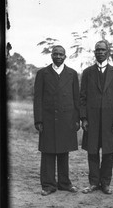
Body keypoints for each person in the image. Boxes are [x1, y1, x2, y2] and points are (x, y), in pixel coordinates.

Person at [33, 45, 80, 196]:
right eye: (56, 54)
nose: (58, 56)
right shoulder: (42, 73)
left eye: (61, 54)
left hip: (67, 119)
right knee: (47, 152)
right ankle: (48, 185)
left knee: (63, 151)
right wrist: (38, 120)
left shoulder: (72, 74)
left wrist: (76, 119)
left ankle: (64, 183)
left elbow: (76, 98)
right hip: (47, 119)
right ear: (51, 55)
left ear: (65, 56)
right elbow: (38, 98)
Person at [80, 40, 113, 194]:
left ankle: (105, 184)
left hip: (109, 121)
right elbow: (82, 98)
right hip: (91, 121)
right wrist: (84, 118)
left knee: (108, 153)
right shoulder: (87, 72)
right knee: (92, 151)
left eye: (102, 50)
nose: (100, 52)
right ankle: (93, 183)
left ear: (108, 52)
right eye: (97, 50)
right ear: (94, 52)